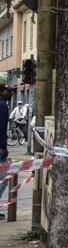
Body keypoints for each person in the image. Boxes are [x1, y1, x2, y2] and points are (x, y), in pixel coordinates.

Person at [0, 86, 11, 220]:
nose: (10, 94)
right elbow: (1, 127)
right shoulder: (2, 105)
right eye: (8, 91)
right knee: (4, 177)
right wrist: (3, 146)